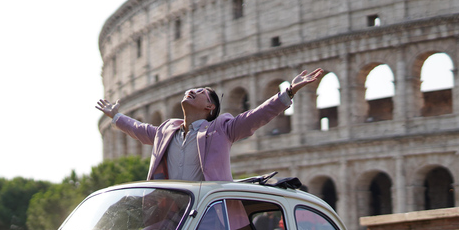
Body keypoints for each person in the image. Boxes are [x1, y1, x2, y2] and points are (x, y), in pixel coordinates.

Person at [96, 68, 325, 181]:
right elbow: (139, 129)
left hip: (207, 214)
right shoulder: (166, 131)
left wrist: (288, 92)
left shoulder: (222, 129)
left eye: (200, 92)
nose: (192, 91)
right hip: (171, 215)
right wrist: (116, 116)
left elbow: (256, 116)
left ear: (210, 107)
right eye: (191, 90)